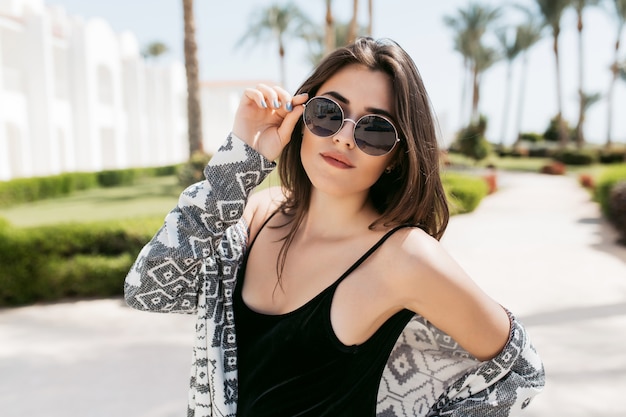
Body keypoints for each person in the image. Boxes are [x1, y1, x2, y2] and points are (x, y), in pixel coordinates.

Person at [124, 37, 544, 417]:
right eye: (329, 113)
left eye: (375, 130)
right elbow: (150, 292)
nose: (343, 138)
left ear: (396, 156)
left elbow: (521, 371)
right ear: (301, 115)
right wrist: (242, 159)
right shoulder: (255, 214)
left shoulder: (403, 257)